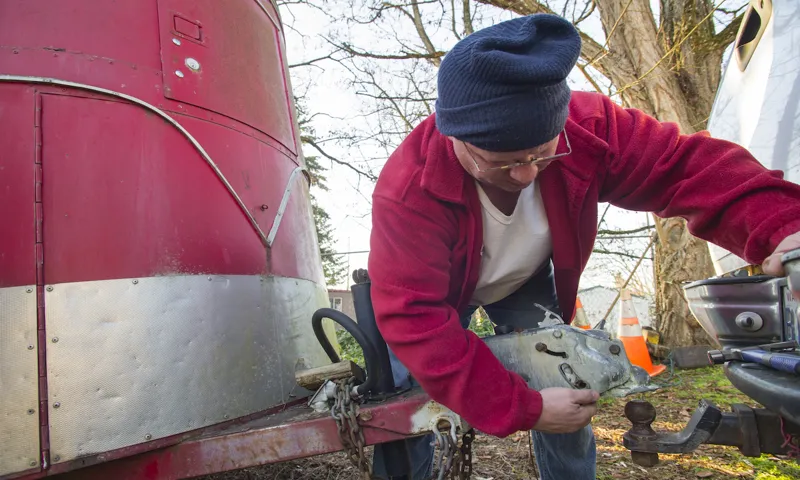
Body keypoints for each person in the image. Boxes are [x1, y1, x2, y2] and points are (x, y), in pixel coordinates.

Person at [367, 12, 800, 480]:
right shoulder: (408, 189)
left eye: (542, 154)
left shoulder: (588, 126)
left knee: (564, 376)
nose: (527, 175)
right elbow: (417, 318)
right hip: (432, 299)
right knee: (402, 398)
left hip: (522, 281)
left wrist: (783, 226)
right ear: (455, 136)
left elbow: (684, 167)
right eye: (503, 162)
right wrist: (522, 407)